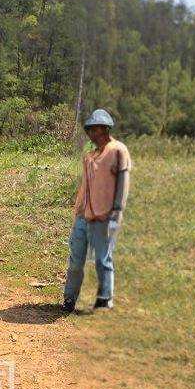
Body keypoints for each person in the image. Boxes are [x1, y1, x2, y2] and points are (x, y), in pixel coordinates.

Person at [63, 109, 131, 312]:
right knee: (75, 261)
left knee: (102, 259)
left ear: (106, 129)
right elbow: (85, 184)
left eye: (96, 129)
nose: (92, 133)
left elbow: (123, 183)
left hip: (104, 217)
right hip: (83, 215)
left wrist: (116, 212)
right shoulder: (89, 154)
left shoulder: (118, 150)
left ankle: (104, 299)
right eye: (90, 130)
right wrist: (78, 211)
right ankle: (69, 298)